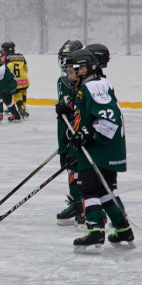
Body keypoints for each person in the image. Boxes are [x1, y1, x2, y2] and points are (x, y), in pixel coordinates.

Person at [58, 44, 133, 251]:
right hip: (106, 147)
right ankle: (122, 228)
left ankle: (95, 232)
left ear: (83, 69)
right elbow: (92, 114)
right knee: (105, 190)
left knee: (88, 189)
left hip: (100, 148)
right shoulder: (95, 85)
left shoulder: (94, 86)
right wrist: (71, 113)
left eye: (72, 71)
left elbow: (109, 118)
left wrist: (88, 134)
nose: (69, 76)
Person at [54, 40, 86, 226]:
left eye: (69, 63)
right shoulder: (62, 81)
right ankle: (76, 203)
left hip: (79, 132)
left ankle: (86, 205)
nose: (66, 68)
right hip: (65, 132)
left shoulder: (84, 83)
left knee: (81, 168)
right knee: (69, 166)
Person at [0, 48, 21, 122]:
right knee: (7, 100)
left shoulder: (0, 69)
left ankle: (0, 114)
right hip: (9, 83)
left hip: (10, 84)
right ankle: (16, 116)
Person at [1, 41, 30, 118]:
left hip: (16, 82)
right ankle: (23, 108)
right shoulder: (21, 56)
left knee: (17, 96)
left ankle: (21, 108)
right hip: (24, 80)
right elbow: (26, 68)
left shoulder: (6, 58)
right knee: (23, 93)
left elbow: (6, 70)